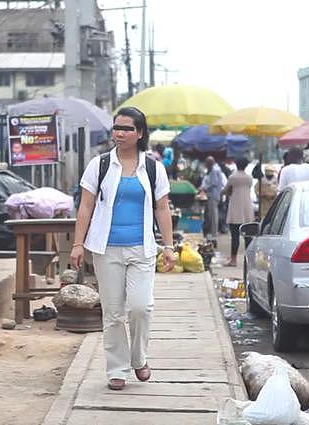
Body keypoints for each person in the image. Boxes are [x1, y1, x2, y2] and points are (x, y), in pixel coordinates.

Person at [70, 106, 176, 391]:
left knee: (141, 307)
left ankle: (139, 359)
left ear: (140, 133)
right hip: (106, 249)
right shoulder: (100, 165)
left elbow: (162, 208)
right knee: (114, 312)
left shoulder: (153, 167)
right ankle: (117, 369)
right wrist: (78, 244)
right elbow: (86, 205)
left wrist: (169, 246)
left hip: (142, 248)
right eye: (116, 128)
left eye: (127, 128)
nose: (120, 133)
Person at [223, 157, 254, 267]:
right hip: (247, 210)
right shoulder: (249, 178)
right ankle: (250, 260)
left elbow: (225, 190)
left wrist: (227, 192)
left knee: (235, 236)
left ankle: (234, 260)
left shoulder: (233, 177)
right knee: (248, 237)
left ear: (236, 164)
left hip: (235, 211)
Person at [199, 156, 227, 244]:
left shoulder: (215, 170)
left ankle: (214, 233)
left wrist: (203, 188)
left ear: (210, 163)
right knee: (211, 215)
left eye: (207, 164)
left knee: (213, 215)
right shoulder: (213, 170)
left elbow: (213, 183)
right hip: (212, 195)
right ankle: (212, 232)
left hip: (213, 195)